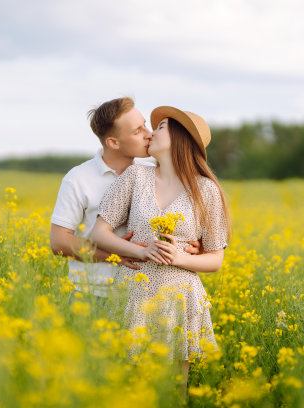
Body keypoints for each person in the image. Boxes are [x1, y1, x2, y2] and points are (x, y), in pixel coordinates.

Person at [90, 106, 231, 390]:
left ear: (181, 139)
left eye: (162, 127)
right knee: (128, 390)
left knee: (173, 392)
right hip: (133, 293)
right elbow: (98, 234)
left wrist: (178, 257)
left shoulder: (206, 190)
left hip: (180, 298)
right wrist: (140, 251)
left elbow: (216, 259)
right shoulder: (134, 177)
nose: (152, 132)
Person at [50, 97, 200, 302]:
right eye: (137, 131)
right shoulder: (78, 179)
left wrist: (190, 247)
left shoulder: (153, 173)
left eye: (145, 125)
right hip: (92, 294)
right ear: (113, 142)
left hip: (141, 297)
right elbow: (59, 242)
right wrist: (115, 256)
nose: (149, 134)